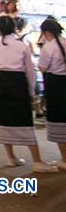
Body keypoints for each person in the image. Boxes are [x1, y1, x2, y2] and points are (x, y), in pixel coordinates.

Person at [0, 15, 57, 172]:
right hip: (18, 83)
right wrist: (32, 90)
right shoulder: (21, 46)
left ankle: (10, 157)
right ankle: (37, 161)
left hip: (2, 82)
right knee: (25, 120)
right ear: (14, 27)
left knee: (5, 119)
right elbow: (30, 71)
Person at [38, 17, 66, 170]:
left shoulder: (49, 47)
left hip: (55, 85)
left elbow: (42, 67)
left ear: (47, 33)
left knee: (58, 122)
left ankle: (65, 159)